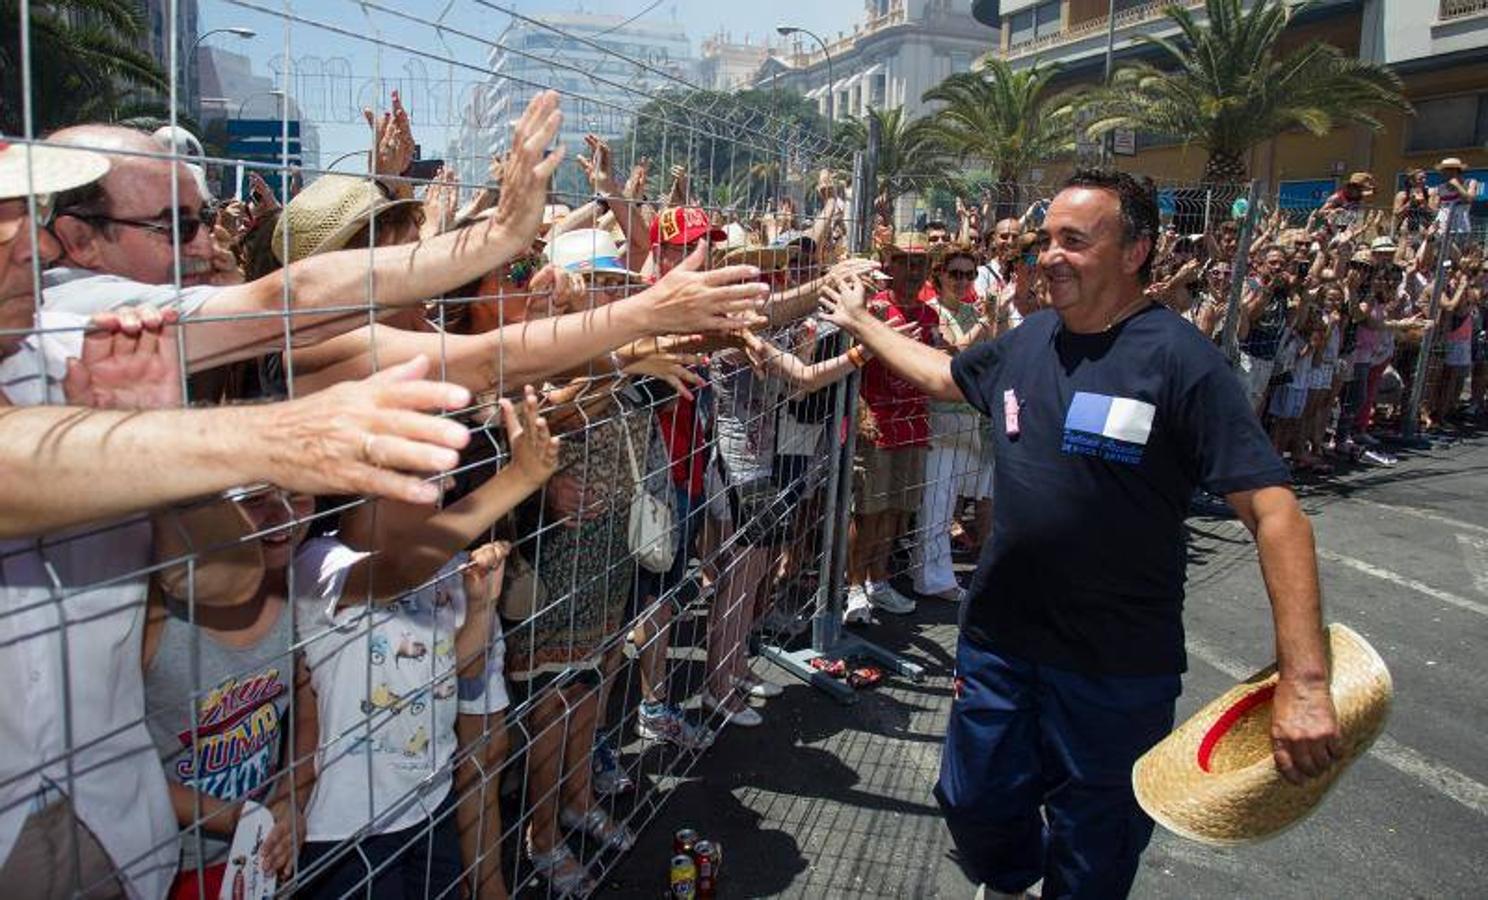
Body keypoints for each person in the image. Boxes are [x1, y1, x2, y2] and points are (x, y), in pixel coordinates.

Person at [820, 169, 1342, 898]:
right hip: (1001, 644)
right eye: (1045, 242)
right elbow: (944, 374)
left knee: (1095, 855)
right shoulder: (1029, 340)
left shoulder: (1181, 362)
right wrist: (864, 325)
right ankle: (1009, 880)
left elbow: (1275, 511)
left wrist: (1306, 682)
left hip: (1115, 670)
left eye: (1075, 240)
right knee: (972, 802)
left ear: (1136, 252)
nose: (1050, 257)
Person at [844, 233, 939, 622]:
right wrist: (860, 408)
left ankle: (879, 583)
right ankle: (853, 588)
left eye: (921, 263)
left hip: (914, 423)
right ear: (891, 265)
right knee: (867, 510)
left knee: (896, 510)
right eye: (906, 261)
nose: (914, 271)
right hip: (877, 423)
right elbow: (853, 366)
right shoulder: (873, 310)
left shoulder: (929, 314)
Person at [911, 245, 995, 602]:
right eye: (955, 273)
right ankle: (932, 578)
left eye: (969, 274)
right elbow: (954, 354)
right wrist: (982, 323)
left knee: (947, 504)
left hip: (966, 419)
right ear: (939, 275)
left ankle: (934, 573)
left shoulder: (969, 311)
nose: (962, 281)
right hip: (938, 417)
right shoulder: (933, 312)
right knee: (936, 500)